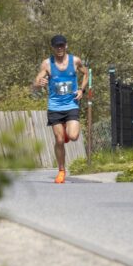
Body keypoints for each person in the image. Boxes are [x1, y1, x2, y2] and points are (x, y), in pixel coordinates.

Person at [33, 35, 88, 183]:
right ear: (52, 47)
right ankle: (61, 171)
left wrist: (82, 90)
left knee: (73, 136)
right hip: (55, 106)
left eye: (61, 45)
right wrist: (40, 83)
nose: (59, 48)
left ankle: (67, 129)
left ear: (66, 46)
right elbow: (35, 84)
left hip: (71, 105)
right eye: (56, 46)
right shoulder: (47, 64)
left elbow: (86, 73)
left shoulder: (75, 61)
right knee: (59, 140)